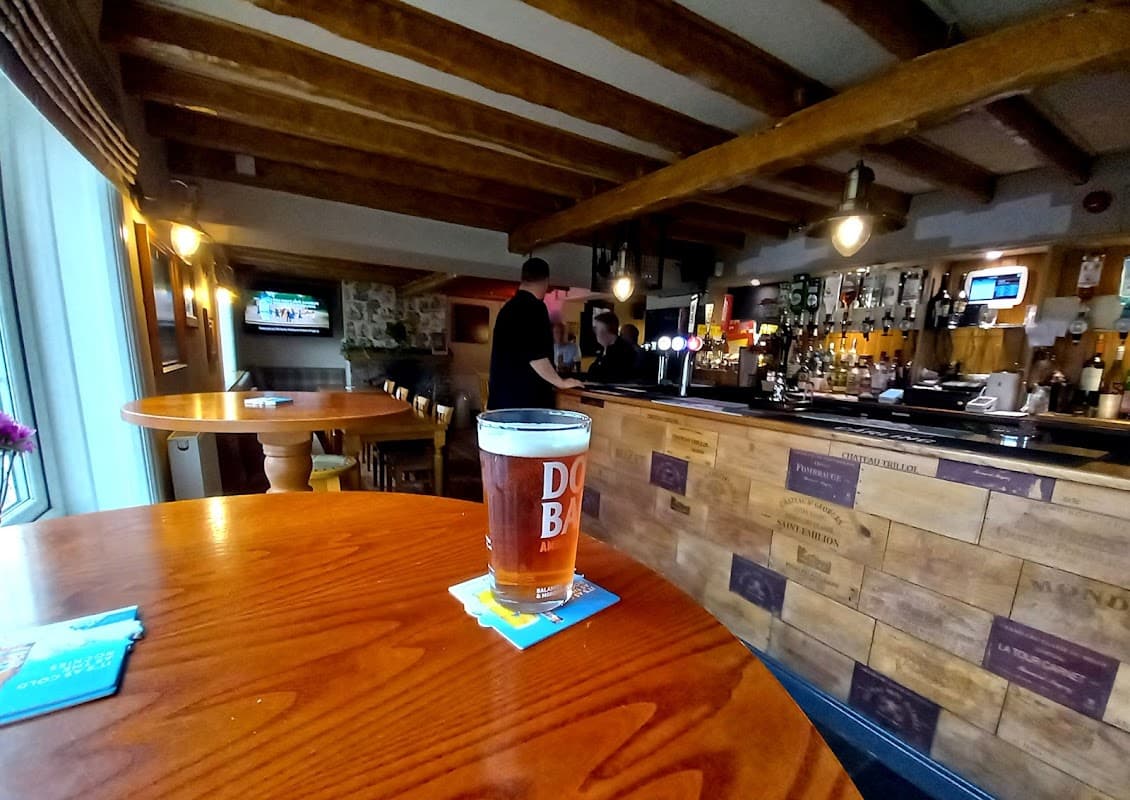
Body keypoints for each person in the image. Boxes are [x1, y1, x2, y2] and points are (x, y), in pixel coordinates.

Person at [488, 258, 583, 409]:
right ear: (546, 281)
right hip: (525, 402)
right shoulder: (535, 308)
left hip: (502, 401)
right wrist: (561, 382)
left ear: (523, 278)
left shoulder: (507, 309)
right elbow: (536, 356)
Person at [588, 311, 638, 383]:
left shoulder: (624, 351)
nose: (595, 334)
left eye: (596, 329)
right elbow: (592, 372)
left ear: (604, 331)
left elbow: (607, 376)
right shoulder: (604, 349)